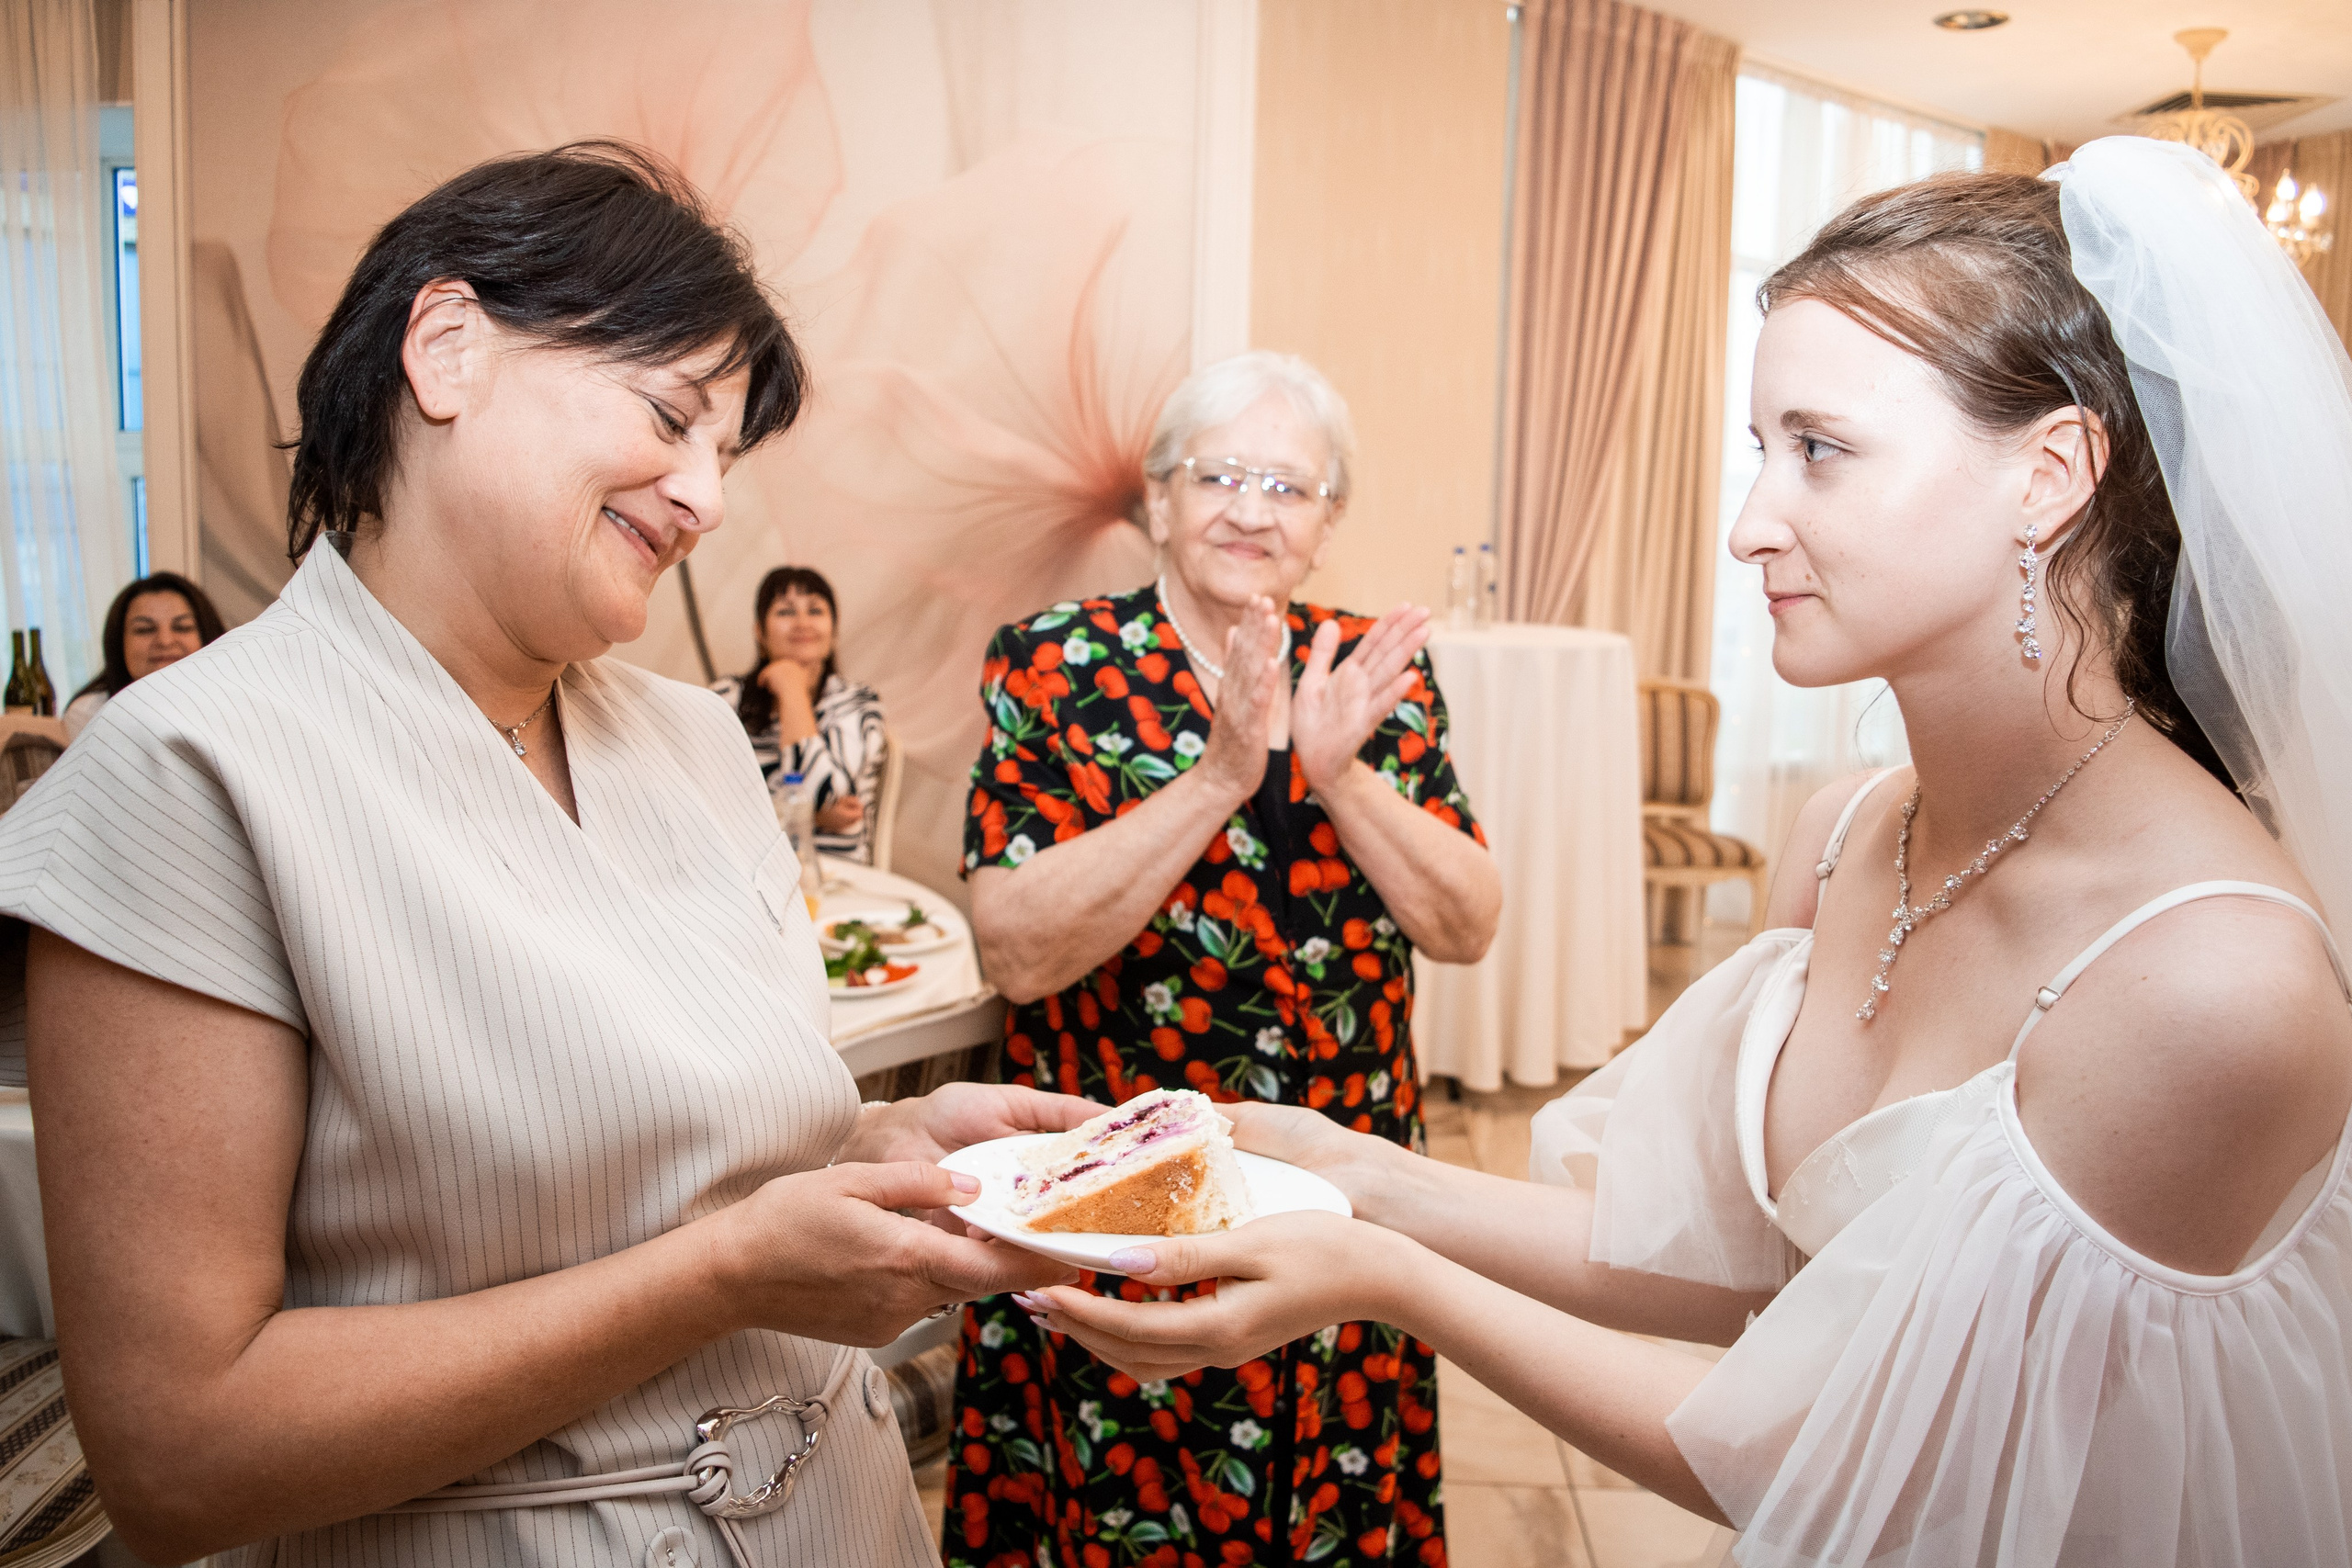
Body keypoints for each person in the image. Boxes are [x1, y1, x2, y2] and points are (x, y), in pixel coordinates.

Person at [1010, 141, 2352, 1567]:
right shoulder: (1844, 835)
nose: (1746, 526)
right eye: (1760, 450)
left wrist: (1378, 1268)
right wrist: (1345, 1164)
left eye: (1819, 449)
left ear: (2051, 473)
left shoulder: (2218, 982)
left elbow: (1857, 1454)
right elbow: (1738, 1271)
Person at [0, 142, 1090, 1568]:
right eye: (671, 415)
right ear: (448, 350)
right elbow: (180, 1451)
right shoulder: (189, 775)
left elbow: (683, 1156)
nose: (705, 499)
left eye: (726, 455)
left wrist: (877, 1147)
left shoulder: (697, 744)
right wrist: (722, 1274)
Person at [950, 350, 1502, 1566]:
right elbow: (1018, 949)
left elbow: (1467, 923)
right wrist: (1219, 779)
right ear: (1158, 499)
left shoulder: (1369, 676)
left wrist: (1340, 771)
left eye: (1287, 486)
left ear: (1325, 524)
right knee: (1123, 1506)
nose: (1251, 508)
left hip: (1340, 1189)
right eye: (1220, 475)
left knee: (1327, 1498)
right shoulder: (1051, 663)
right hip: (1126, 1193)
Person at [711, 566, 888, 862]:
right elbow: (708, 800)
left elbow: (826, 793)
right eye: (785, 612)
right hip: (743, 867)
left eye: (816, 610)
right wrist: (818, 818)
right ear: (760, 632)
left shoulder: (858, 703)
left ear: (834, 631)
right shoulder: (726, 698)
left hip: (837, 875)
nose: (802, 622)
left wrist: (792, 691)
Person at [60, 571, 225, 741]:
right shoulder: (91, 713)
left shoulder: (234, 705)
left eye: (182, 627)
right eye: (145, 630)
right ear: (119, 642)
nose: (165, 641)